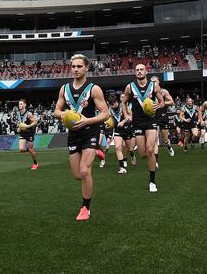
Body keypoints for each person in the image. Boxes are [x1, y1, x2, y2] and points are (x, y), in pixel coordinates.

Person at [54, 54, 109, 221]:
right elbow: (56, 110)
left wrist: (87, 120)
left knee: (85, 171)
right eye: (73, 66)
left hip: (90, 132)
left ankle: (85, 207)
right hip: (74, 135)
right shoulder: (64, 89)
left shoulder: (94, 89)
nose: (76, 69)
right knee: (77, 175)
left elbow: (105, 114)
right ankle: (98, 153)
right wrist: (65, 115)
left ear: (86, 68)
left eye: (79, 66)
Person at [122, 64, 165, 193]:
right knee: (142, 154)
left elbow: (162, 102)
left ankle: (152, 181)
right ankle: (151, 160)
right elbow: (123, 102)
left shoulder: (154, 86)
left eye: (141, 69)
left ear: (146, 71)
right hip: (137, 122)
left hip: (151, 120)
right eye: (137, 70)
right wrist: (126, 115)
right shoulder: (130, 87)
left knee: (150, 149)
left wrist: (158, 106)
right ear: (135, 73)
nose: (139, 71)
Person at [150, 76, 175, 167]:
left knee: (165, 140)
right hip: (153, 117)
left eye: (155, 81)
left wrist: (161, 103)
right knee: (155, 139)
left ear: (158, 81)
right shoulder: (149, 92)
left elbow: (171, 102)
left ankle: (169, 146)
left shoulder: (164, 91)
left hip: (163, 116)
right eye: (152, 82)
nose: (153, 83)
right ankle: (155, 161)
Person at [16, 99, 39, 170]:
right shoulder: (18, 113)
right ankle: (29, 149)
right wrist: (19, 128)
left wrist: (28, 126)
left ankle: (35, 163)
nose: (20, 105)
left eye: (21, 104)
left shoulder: (29, 114)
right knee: (21, 150)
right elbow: (20, 123)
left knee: (31, 150)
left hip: (30, 132)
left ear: (25, 105)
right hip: (23, 132)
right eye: (19, 104)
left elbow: (35, 122)